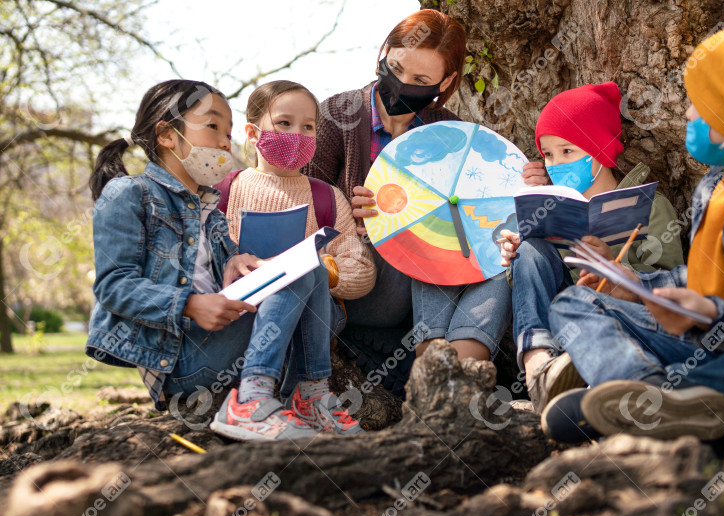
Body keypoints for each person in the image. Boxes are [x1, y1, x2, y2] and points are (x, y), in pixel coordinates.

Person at [540, 19, 724, 444]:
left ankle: (667, 405)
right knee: (576, 301)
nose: (687, 114)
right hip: (702, 342)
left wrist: (710, 313)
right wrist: (633, 286)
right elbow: (705, 278)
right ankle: (651, 395)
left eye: (699, 102)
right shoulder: (715, 185)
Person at [86, 80, 362, 443]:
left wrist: (235, 261)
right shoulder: (130, 194)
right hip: (180, 360)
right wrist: (191, 305)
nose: (223, 141)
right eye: (213, 126)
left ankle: (310, 395)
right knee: (293, 269)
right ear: (167, 135)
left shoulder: (208, 210)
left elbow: (209, 271)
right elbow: (112, 286)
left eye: (228, 132)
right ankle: (251, 401)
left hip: (218, 342)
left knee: (304, 264)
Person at [499, 82, 683, 413]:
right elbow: (535, 285)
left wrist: (618, 269)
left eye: (568, 152)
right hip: (557, 325)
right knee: (530, 249)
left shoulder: (651, 207)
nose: (556, 164)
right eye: (549, 155)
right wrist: (516, 254)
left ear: (598, 150)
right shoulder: (547, 206)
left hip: (620, 318)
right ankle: (537, 367)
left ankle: (601, 384)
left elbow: (668, 283)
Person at [304, 9, 466, 331]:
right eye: (395, 68)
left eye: (420, 81)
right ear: (386, 52)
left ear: (445, 81)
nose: (401, 85)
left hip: (423, 285)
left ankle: (444, 348)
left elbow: (468, 218)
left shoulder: (452, 133)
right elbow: (300, 207)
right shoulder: (338, 115)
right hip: (350, 281)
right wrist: (346, 215)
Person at [224, 79, 376, 417]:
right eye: (284, 123)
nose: (297, 134)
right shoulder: (225, 191)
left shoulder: (327, 198)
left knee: (306, 268)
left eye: (308, 127)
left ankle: (305, 397)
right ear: (252, 133)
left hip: (314, 317)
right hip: (243, 311)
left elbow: (362, 271)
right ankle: (296, 396)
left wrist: (319, 267)